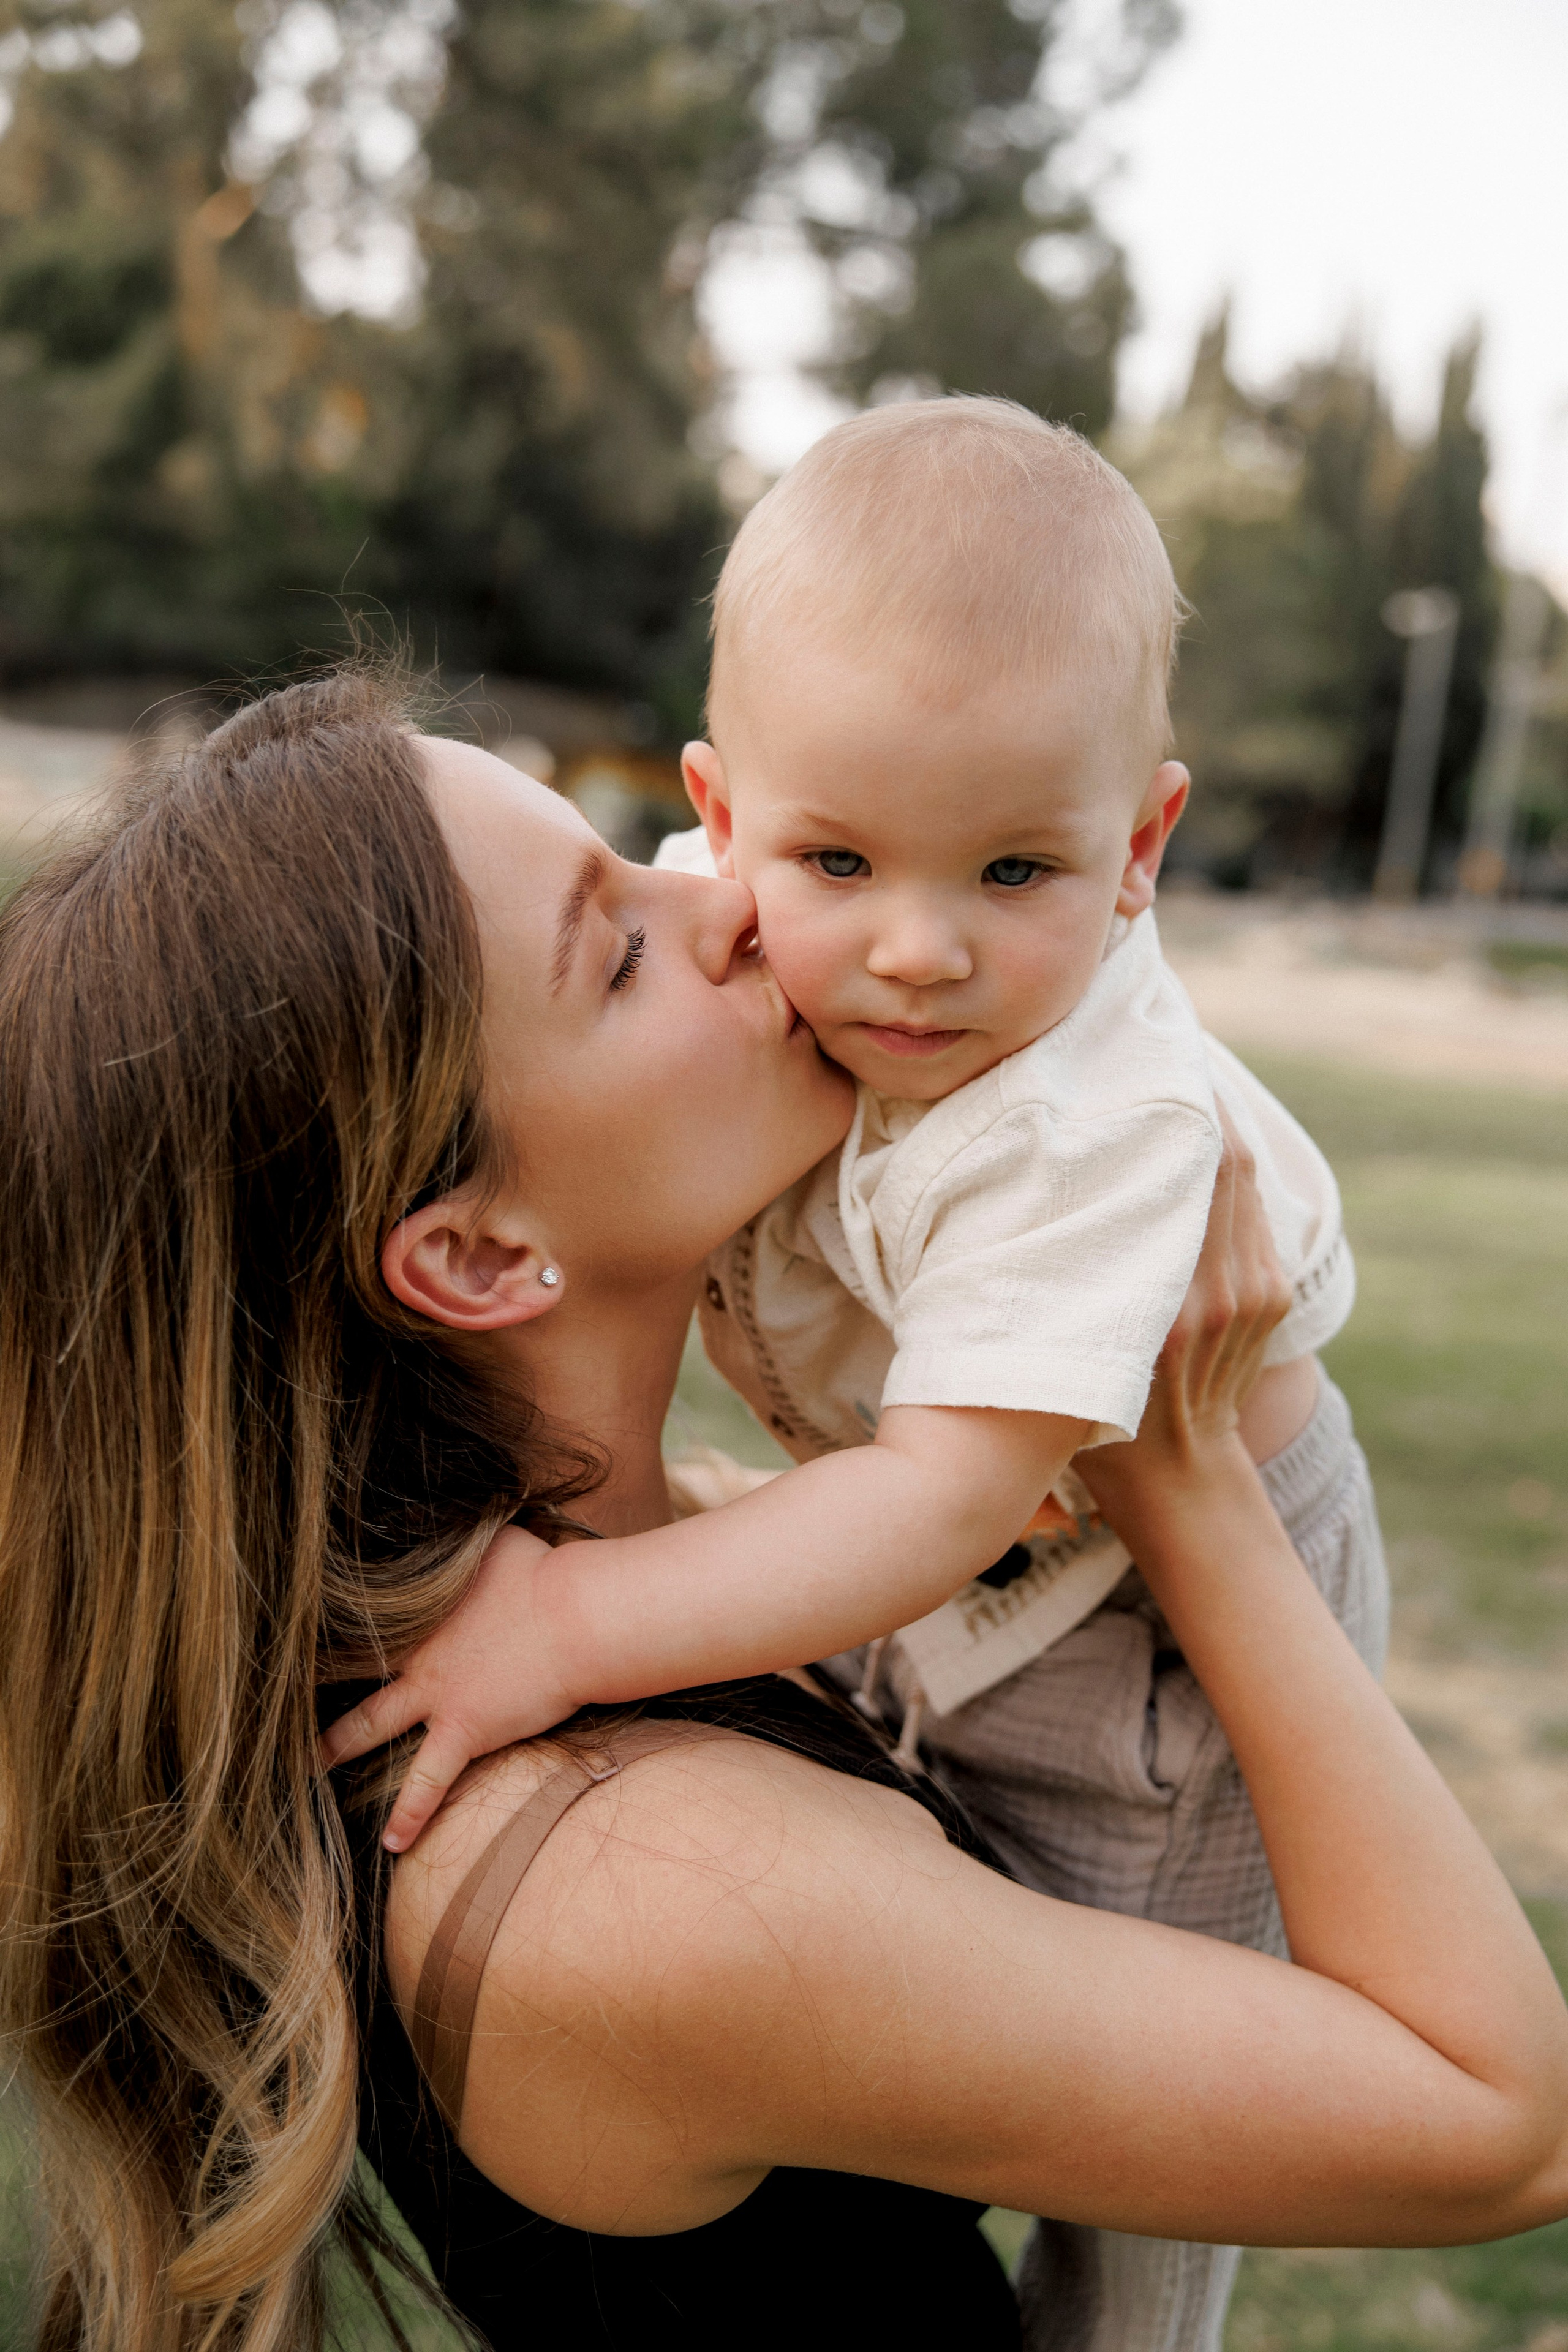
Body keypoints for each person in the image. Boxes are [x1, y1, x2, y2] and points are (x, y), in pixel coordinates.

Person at [3, 675, 1565, 2352]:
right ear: (471, 1252)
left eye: (642, 859)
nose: (734, 902)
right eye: (616, 952)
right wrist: (1189, 1486)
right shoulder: (645, 1884)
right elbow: (1499, 2121)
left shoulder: (636, 1574)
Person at [333, 399, 1386, 2348]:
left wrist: (578, 1618)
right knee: (982, 1991)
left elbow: (942, 1502)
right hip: (996, 1535)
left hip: (1158, 1564)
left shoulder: (1086, 1127)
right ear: (722, 812)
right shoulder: (742, 899)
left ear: (1143, 841)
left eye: (1012, 874)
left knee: (1133, 2193)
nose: (907, 954)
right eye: (833, 860)